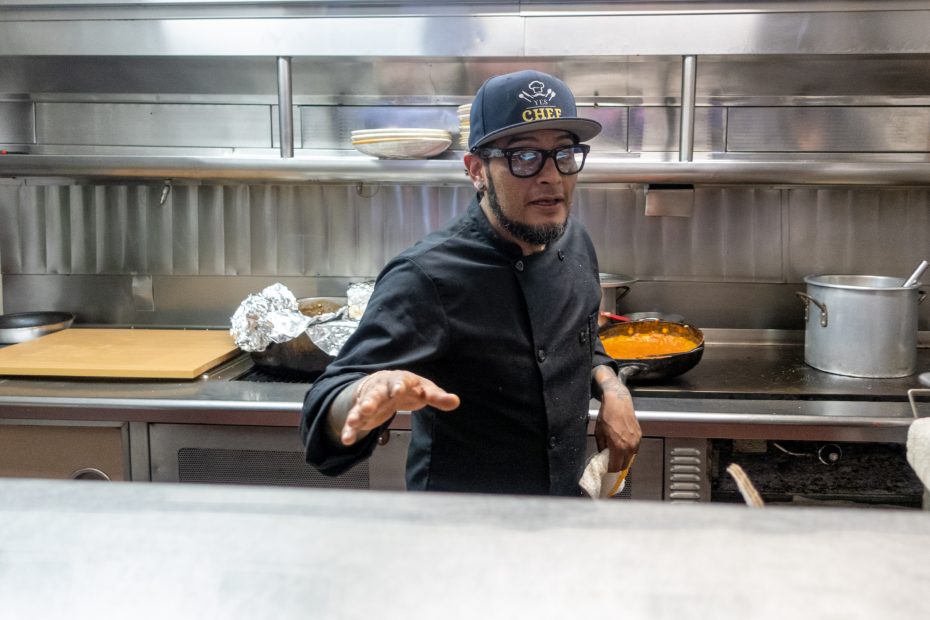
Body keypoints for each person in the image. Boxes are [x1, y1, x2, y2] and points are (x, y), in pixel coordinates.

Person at [300, 69, 641, 495]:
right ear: (477, 170)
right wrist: (361, 393)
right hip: (462, 533)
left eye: (564, 154)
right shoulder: (428, 277)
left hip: (561, 515)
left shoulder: (574, 240)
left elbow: (581, 338)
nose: (552, 176)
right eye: (524, 157)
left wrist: (611, 387)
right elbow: (321, 413)